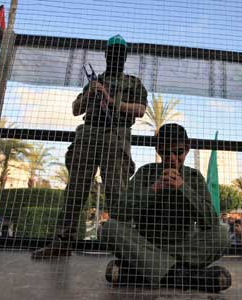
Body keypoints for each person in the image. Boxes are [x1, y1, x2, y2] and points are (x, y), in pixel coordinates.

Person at [32, 34, 148, 258]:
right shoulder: (95, 82)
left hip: (116, 135)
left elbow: (140, 110)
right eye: (112, 53)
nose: (115, 57)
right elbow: (76, 109)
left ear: (125, 57)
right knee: (75, 190)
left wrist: (110, 100)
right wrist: (91, 94)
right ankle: (62, 242)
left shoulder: (133, 83)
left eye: (119, 54)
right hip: (88, 133)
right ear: (106, 55)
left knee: (116, 192)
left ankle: (123, 249)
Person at [101, 123, 232, 292]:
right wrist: (153, 189)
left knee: (222, 235)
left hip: (182, 249)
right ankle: (185, 276)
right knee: (109, 228)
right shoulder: (145, 173)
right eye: (164, 152)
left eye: (178, 152)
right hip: (146, 245)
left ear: (187, 148)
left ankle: (149, 271)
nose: (171, 158)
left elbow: (210, 221)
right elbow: (119, 213)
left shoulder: (194, 177)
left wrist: (183, 188)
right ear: (157, 150)